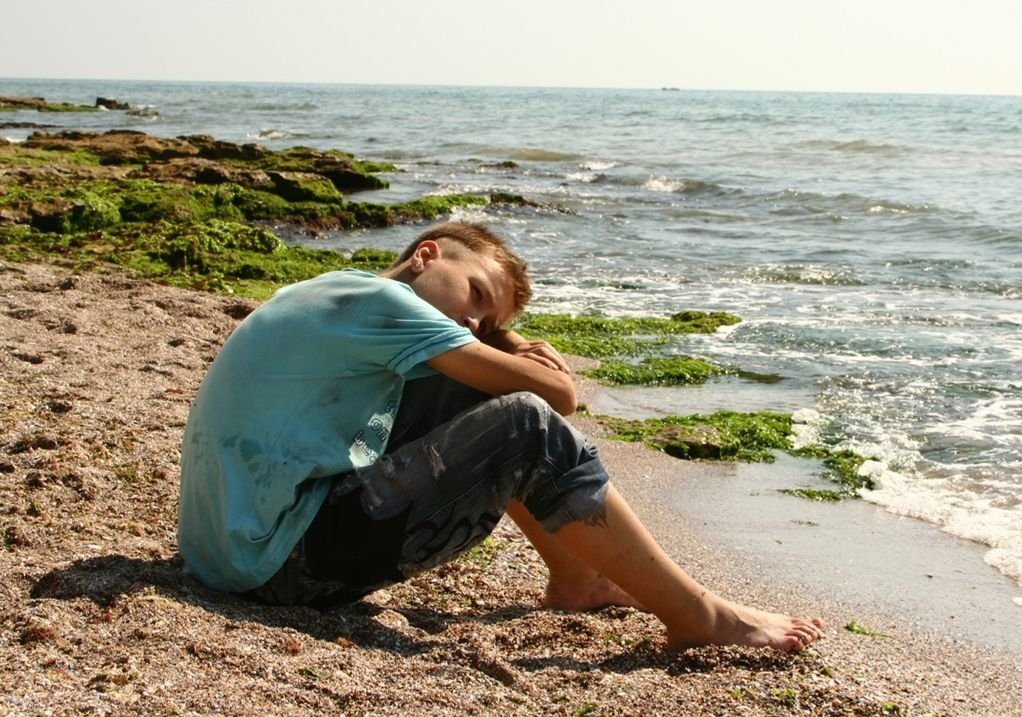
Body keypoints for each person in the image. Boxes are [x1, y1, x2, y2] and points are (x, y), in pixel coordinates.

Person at [177, 220, 822, 651]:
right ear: (426, 255)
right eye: (478, 293)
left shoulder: (333, 294)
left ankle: (577, 579)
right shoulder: (387, 307)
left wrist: (493, 332)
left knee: (482, 395)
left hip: (230, 552)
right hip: (278, 566)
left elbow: (489, 371)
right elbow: (558, 398)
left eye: (486, 320)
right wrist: (515, 345)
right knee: (525, 424)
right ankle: (698, 614)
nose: (476, 319)